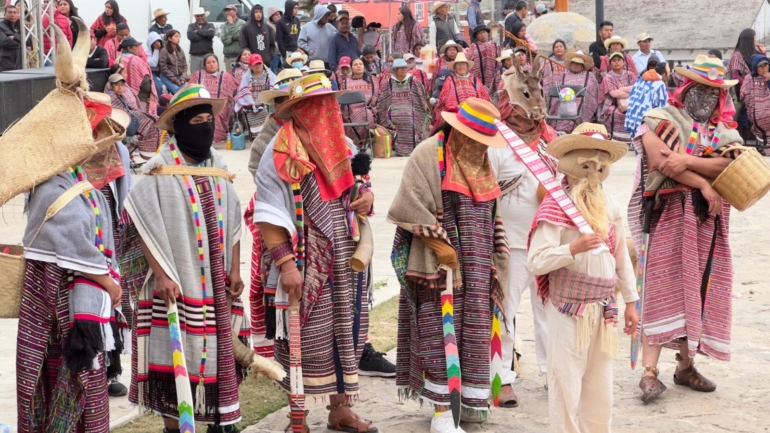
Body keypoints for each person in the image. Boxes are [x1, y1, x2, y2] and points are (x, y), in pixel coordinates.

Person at [15, 24, 126, 432]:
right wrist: (107, 281)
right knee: (60, 399)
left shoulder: (77, 180)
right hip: (57, 323)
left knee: (89, 401)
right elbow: (70, 245)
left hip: (82, 317)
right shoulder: (50, 188)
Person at [253, 73, 377, 433]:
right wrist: (286, 264)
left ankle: (340, 409)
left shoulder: (342, 144)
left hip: (346, 255)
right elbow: (269, 213)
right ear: (299, 110)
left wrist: (367, 198)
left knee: (346, 331)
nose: (327, 111)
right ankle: (298, 416)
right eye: (317, 106)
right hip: (304, 261)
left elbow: (362, 186)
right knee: (303, 339)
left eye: (329, 104)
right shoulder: (281, 149)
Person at [126, 84, 246, 432]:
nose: (205, 127)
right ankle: (174, 427)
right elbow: (142, 221)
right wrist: (162, 275)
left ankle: (218, 421)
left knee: (216, 357)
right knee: (175, 362)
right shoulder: (159, 168)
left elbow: (233, 219)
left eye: (209, 119)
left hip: (216, 284)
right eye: (196, 121)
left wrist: (235, 268)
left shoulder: (218, 164)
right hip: (176, 283)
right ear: (178, 126)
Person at [388, 98, 510, 433]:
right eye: (475, 137)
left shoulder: (483, 161)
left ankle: (467, 400)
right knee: (436, 327)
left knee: (474, 330)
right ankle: (442, 409)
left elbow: (492, 211)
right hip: (438, 266)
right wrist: (442, 247)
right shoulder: (429, 153)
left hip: (478, 262)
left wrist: (495, 259)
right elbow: (408, 203)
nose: (479, 145)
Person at [629, 55, 741, 403]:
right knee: (659, 287)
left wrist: (690, 161)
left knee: (699, 288)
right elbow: (662, 161)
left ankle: (686, 366)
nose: (704, 98)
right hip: (666, 216)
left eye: (712, 92)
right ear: (685, 88)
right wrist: (704, 182)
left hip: (706, 221)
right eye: (699, 89)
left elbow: (731, 164)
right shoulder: (658, 119)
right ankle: (649, 373)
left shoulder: (725, 133)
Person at [528, 123, 638, 433]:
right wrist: (572, 248)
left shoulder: (610, 204)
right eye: (588, 159)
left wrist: (631, 301)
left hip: (603, 308)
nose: (595, 166)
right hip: (568, 309)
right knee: (566, 382)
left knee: (600, 384)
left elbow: (620, 257)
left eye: (601, 159)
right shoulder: (555, 205)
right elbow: (536, 261)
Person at [488, 60, 556, 408]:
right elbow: (486, 193)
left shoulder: (549, 142)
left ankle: (552, 372)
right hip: (510, 243)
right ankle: (501, 378)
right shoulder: (497, 143)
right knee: (504, 309)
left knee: (549, 311)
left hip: (546, 240)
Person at [376, 58, 431, 157]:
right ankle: (399, 149)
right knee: (394, 119)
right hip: (392, 111)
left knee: (409, 119)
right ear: (395, 70)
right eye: (400, 68)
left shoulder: (414, 81)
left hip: (411, 110)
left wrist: (419, 110)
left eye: (405, 68)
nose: (403, 70)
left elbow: (421, 98)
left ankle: (410, 149)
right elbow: (383, 102)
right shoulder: (388, 83)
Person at [107, 73, 162, 161]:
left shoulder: (121, 96)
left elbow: (130, 109)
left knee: (156, 120)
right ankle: (148, 152)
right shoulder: (111, 97)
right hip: (123, 123)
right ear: (111, 86)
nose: (120, 88)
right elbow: (119, 113)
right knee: (152, 122)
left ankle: (153, 150)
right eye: (116, 85)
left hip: (131, 119)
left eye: (122, 85)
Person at [190, 54, 240, 143]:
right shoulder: (198, 75)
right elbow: (189, 89)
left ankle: (215, 138)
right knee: (201, 113)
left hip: (220, 104)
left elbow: (236, 89)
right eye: (208, 63)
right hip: (201, 104)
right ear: (204, 65)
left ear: (218, 63)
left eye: (214, 62)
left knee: (217, 113)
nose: (212, 64)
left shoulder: (225, 75)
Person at [548, 51, 599, 134]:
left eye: (578, 63)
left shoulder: (590, 76)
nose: (575, 65)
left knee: (578, 107)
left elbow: (592, 92)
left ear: (582, 65)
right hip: (563, 102)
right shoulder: (563, 75)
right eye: (573, 63)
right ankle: (560, 131)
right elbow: (557, 92)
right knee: (562, 108)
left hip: (583, 102)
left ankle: (573, 130)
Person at [434, 52, 490, 127]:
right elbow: (445, 99)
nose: (461, 67)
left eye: (463, 64)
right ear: (455, 67)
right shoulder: (450, 80)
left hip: (474, 116)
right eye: (458, 65)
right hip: (455, 117)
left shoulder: (474, 79)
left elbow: (484, 98)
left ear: (467, 67)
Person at [597, 52, 638, 143]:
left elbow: (637, 88)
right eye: (614, 60)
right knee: (615, 112)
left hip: (631, 101)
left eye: (619, 60)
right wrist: (630, 91)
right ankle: (616, 138)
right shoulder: (608, 77)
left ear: (623, 62)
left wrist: (622, 89)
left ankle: (633, 138)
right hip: (612, 103)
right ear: (610, 64)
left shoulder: (630, 74)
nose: (616, 62)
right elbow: (614, 94)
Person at [339, 57, 379, 148]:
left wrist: (369, 106)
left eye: (360, 64)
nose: (358, 66)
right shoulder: (346, 81)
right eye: (355, 65)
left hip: (367, 108)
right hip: (350, 110)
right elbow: (343, 97)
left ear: (364, 66)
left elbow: (375, 94)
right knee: (348, 116)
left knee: (368, 114)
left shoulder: (372, 79)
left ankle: (365, 143)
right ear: (351, 68)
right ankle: (356, 145)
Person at [624, 60, 670, 139]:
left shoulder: (640, 80)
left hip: (631, 119)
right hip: (644, 121)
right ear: (664, 74)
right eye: (667, 76)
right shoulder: (660, 84)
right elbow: (663, 106)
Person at [234, 53, 277, 138]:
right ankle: (256, 135)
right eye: (255, 64)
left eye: (259, 63)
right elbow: (243, 91)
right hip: (252, 102)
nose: (258, 66)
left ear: (262, 63)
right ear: (250, 66)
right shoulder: (247, 77)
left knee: (267, 111)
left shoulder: (269, 75)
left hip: (266, 101)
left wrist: (265, 100)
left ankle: (268, 135)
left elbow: (274, 88)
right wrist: (251, 103)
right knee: (249, 111)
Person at [117, 37, 159, 116]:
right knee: (143, 119)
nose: (138, 48)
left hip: (123, 95)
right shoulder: (136, 60)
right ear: (129, 48)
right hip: (140, 97)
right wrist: (151, 92)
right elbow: (145, 81)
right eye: (135, 46)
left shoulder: (119, 58)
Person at [467, 24, 502, 104]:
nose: (482, 35)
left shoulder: (496, 45)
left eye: (484, 32)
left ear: (487, 33)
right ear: (477, 36)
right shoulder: (473, 46)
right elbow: (468, 61)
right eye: (479, 33)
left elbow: (500, 60)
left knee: (493, 101)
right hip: (478, 78)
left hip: (493, 77)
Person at [741, 54, 770, 149]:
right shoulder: (749, 78)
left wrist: (768, 81)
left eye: (766, 65)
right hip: (755, 110)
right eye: (761, 66)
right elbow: (743, 94)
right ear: (755, 67)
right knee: (761, 116)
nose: (764, 68)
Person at [240, 4, 276, 72]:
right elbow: (243, 46)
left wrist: (270, 57)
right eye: (256, 12)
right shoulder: (246, 28)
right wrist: (250, 58)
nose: (258, 14)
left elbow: (272, 45)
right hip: (253, 64)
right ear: (252, 13)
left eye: (260, 12)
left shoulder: (268, 28)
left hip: (266, 64)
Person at [158, 29, 188, 94]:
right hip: (167, 77)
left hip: (179, 77)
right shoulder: (164, 51)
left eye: (179, 36)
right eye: (176, 36)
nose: (178, 38)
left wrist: (183, 78)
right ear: (169, 38)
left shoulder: (180, 50)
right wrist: (175, 80)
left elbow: (185, 66)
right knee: (178, 92)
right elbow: (163, 68)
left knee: (188, 89)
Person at [187, 8, 216, 74]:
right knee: (195, 75)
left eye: (202, 15)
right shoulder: (191, 26)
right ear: (195, 17)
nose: (200, 18)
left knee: (209, 75)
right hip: (195, 56)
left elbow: (211, 34)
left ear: (204, 16)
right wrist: (205, 34)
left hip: (208, 56)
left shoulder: (210, 25)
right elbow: (190, 36)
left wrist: (198, 32)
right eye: (198, 16)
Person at [220, 4, 247, 71]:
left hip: (239, 57)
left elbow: (238, 35)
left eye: (229, 10)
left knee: (240, 75)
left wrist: (231, 24)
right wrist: (232, 38)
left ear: (235, 11)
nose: (227, 12)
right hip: (228, 57)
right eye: (226, 11)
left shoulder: (242, 23)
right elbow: (223, 39)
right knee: (229, 75)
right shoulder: (224, 25)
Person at [0, 5, 22, 72]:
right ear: (4, 14)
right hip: (5, 63)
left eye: (15, 12)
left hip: (20, 63)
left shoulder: (21, 26)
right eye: (10, 12)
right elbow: (5, 42)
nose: (12, 15)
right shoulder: (1, 26)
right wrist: (21, 44)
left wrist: (14, 37)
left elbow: (29, 40)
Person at [266, 6, 283, 73]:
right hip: (274, 54)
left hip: (282, 53)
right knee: (273, 73)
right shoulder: (267, 26)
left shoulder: (281, 24)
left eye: (280, 14)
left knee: (281, 72)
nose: (279, 16)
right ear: (271, 16)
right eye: (276, 14)